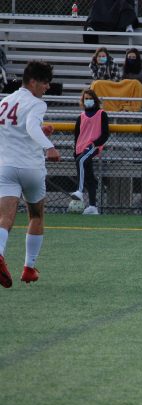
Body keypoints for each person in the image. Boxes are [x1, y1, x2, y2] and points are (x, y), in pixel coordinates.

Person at [0, 61, 61, 288]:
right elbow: (31, 128)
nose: (47, 87)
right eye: (44, 83)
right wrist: (49, 146)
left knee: (4, 218)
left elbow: (15, 129)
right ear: (33, 82)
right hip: (31, 168)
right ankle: (28, 268)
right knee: (36, 215)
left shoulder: (5, 102)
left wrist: (40, 131)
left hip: (6, 167)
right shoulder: (37, 104)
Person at [70, 89, 109, 215]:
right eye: (85, 98)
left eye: (89, 98)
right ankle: (93, 206)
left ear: (95, 99)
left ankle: (80, 191)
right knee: (90, 177)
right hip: (81, 148)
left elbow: (105, 134)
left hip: (93, 146)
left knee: (80, 160)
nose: (87, 100)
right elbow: (77, 135)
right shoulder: (80, 117)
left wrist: (95, 144)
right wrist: (75, 150)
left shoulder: (101, 114)